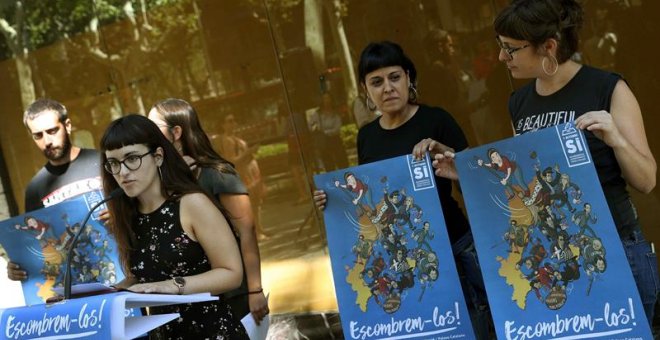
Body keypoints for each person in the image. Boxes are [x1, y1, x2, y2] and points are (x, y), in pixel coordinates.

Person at [434, 0, 657, 326]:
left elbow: (647, 180)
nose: (501, 57)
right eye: (500, 47)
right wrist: (467, 173)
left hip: (616, 250)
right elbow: (523, 187)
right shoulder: (519, 102)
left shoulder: (607, 88)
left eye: (510, 49)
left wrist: (617, 139)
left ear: (548, 46)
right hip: (555, 257)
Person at [313, 41, 491, 339]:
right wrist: (334, 201)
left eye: (395, 77)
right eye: (377, 82)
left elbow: (480, 182)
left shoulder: (436, 120)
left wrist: (450, 157)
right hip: (403, 258)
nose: (388, 88)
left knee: (473, 328)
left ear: (409, 78)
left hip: (454, 247)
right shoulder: (366, 136)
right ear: (365, 90)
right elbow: (368, 198)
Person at [101, 114, 248, 339]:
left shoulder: (191, 203)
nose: (123, 172)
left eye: (131, 158)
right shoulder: (128, 215)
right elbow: (144, 278)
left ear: (158, 156)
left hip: (211, 332)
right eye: (113, 163)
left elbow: (232, 274)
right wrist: (95, 298)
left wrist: (173, 285)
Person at [148, 98, 269, 324]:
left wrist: (255, 290)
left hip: (231, 296)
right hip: (189, 300)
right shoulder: (159, 181)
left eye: (154, 128)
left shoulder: (217, 173)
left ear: (176, 132)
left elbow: (247, 231)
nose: (147, 135)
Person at [7, 98, 102, 282]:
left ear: (67, 125)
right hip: (72, 286)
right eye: (38, 135)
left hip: (119, 274)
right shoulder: (35, 189)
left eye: (52, 131)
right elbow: (39, 247)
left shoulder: (102, 162)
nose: (47, 141)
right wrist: (19, 268)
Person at [218, 114, 268, 238]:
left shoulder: (236, 138)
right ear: (223, 125)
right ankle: (254, 233)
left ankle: (259, 229)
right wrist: (248, 152)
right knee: (249, 205)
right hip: (243, 176)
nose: (233, 123)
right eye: (229, 121)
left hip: (252, 174)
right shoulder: (227, 140)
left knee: (257, 203)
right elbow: (231, 160)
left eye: (234, 121)